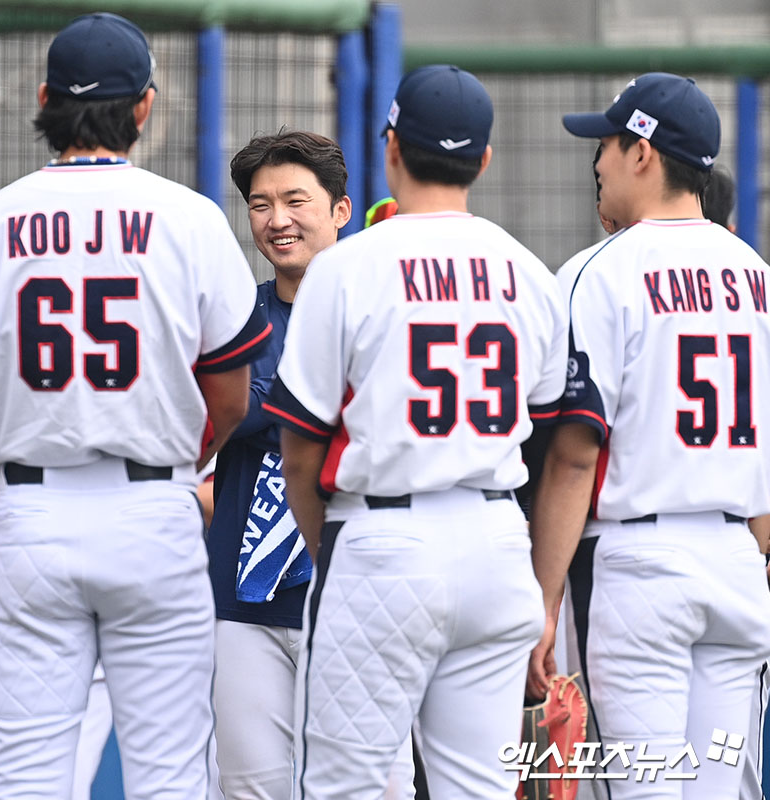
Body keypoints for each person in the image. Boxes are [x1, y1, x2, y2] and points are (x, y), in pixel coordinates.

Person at [0, 13, 270, 799]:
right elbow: (229, 392)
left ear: (44, 99)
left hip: (31, 512)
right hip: (153, 509)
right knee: (170, 774)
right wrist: (179, 457)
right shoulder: (189, 217)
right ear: (144, 106)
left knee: (27, 777)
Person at [269, 64, 568, 798]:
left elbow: (300, 448)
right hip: (498, 543)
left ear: (392, 147)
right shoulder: (531, 271)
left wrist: (333, 545)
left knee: (350, 786)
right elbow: (550, 431)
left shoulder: (347, 267)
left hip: (383, 538)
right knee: (480, 787)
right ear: (484, 160)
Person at [528, 72, 770, 798]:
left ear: (643, 152)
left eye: (606, 144)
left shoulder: (597, 272)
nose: (597, 162)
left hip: (637, 572)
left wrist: (542, 602)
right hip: (738, 562)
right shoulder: (757, 274)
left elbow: (574, 457)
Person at [213, 130, 410, 800]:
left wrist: (264, 398)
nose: (278, 220)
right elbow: (219, 418)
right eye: (260, 204)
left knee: (377, 788)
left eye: (296, 200)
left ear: (341, 210)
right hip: (243, 602)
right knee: (250, 788)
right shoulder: (235, 318)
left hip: (362, 589)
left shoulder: (385, 312)